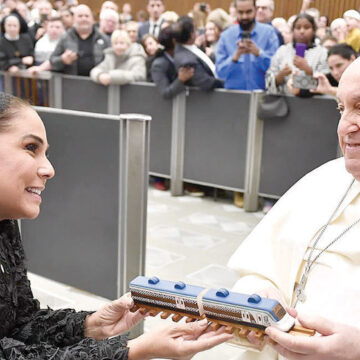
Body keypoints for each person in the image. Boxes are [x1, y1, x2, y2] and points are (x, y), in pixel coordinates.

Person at [0, 93, 233, 359]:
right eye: (31, 148)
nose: (49, 169)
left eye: (46, 153)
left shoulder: (5, 225)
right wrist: (134, 350)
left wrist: (93, 324)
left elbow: (20, 325)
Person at [227, 56, 360, 360]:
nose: (345, 126)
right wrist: (258, 296)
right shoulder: (327, 177)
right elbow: (262, 270)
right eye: (341, 108)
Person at [215, 0, 279, 90]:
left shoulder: (269, 33)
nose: (244, 16)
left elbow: (275, 70)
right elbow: (220, 74)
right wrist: (235, 57)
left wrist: (259, 54)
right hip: (233, 96)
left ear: (255, 10)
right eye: (240, 12)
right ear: (235, 12)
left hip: (262, 96)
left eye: (248, 12)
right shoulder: (226, 36)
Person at [266, 13, 329, 96]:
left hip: (313, 101)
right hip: (284, 101)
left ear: (314, 30)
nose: (302, 31)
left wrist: (308, 70)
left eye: (306, 27)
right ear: (293, 30)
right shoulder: (282, 50)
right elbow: (269, 80)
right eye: (298, 28)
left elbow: (326, 82)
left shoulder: (322, 52)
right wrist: (281, 75)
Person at [50, 4, 109, 76]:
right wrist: (63, 60)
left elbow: (112, 61)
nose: (84, 19)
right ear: (74, 19)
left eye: (87, 16)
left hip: (98, 84)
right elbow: (52, 61)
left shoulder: (104, 39)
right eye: (80, 16)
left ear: (93, 19)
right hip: (73, 83)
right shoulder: (65, 38)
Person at [173, 16, 223, 91]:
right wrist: (227, 83)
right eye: (196, 30)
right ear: (191, 35)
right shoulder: (186, 60)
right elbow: (206, 82)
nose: (199, 32)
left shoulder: (192, 47)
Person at [151, 25, 194, 99]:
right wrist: (180, 80)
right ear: (175, 42)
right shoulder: (159, 65)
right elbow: (165, 92)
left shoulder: (187, 57)